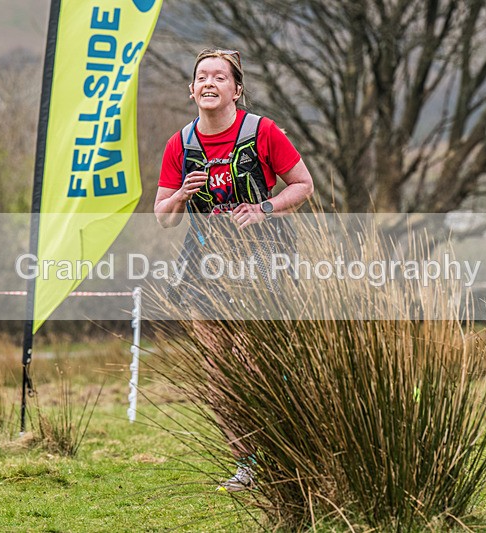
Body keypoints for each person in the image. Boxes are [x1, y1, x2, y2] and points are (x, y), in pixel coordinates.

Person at [153, 48, 314, 492]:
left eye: (219, 77)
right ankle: (248, 463)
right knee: (218, 371)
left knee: (255, 364)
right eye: (201, 76)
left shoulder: (261, 132)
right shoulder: (179, 144)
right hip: (203, 264)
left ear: (236, 90)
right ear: (191, 89)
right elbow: (163, 216)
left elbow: (303, 184)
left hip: (261, 262)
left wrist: (265, 207)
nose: (209, 82)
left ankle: (286, 447)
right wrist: (181, 196)